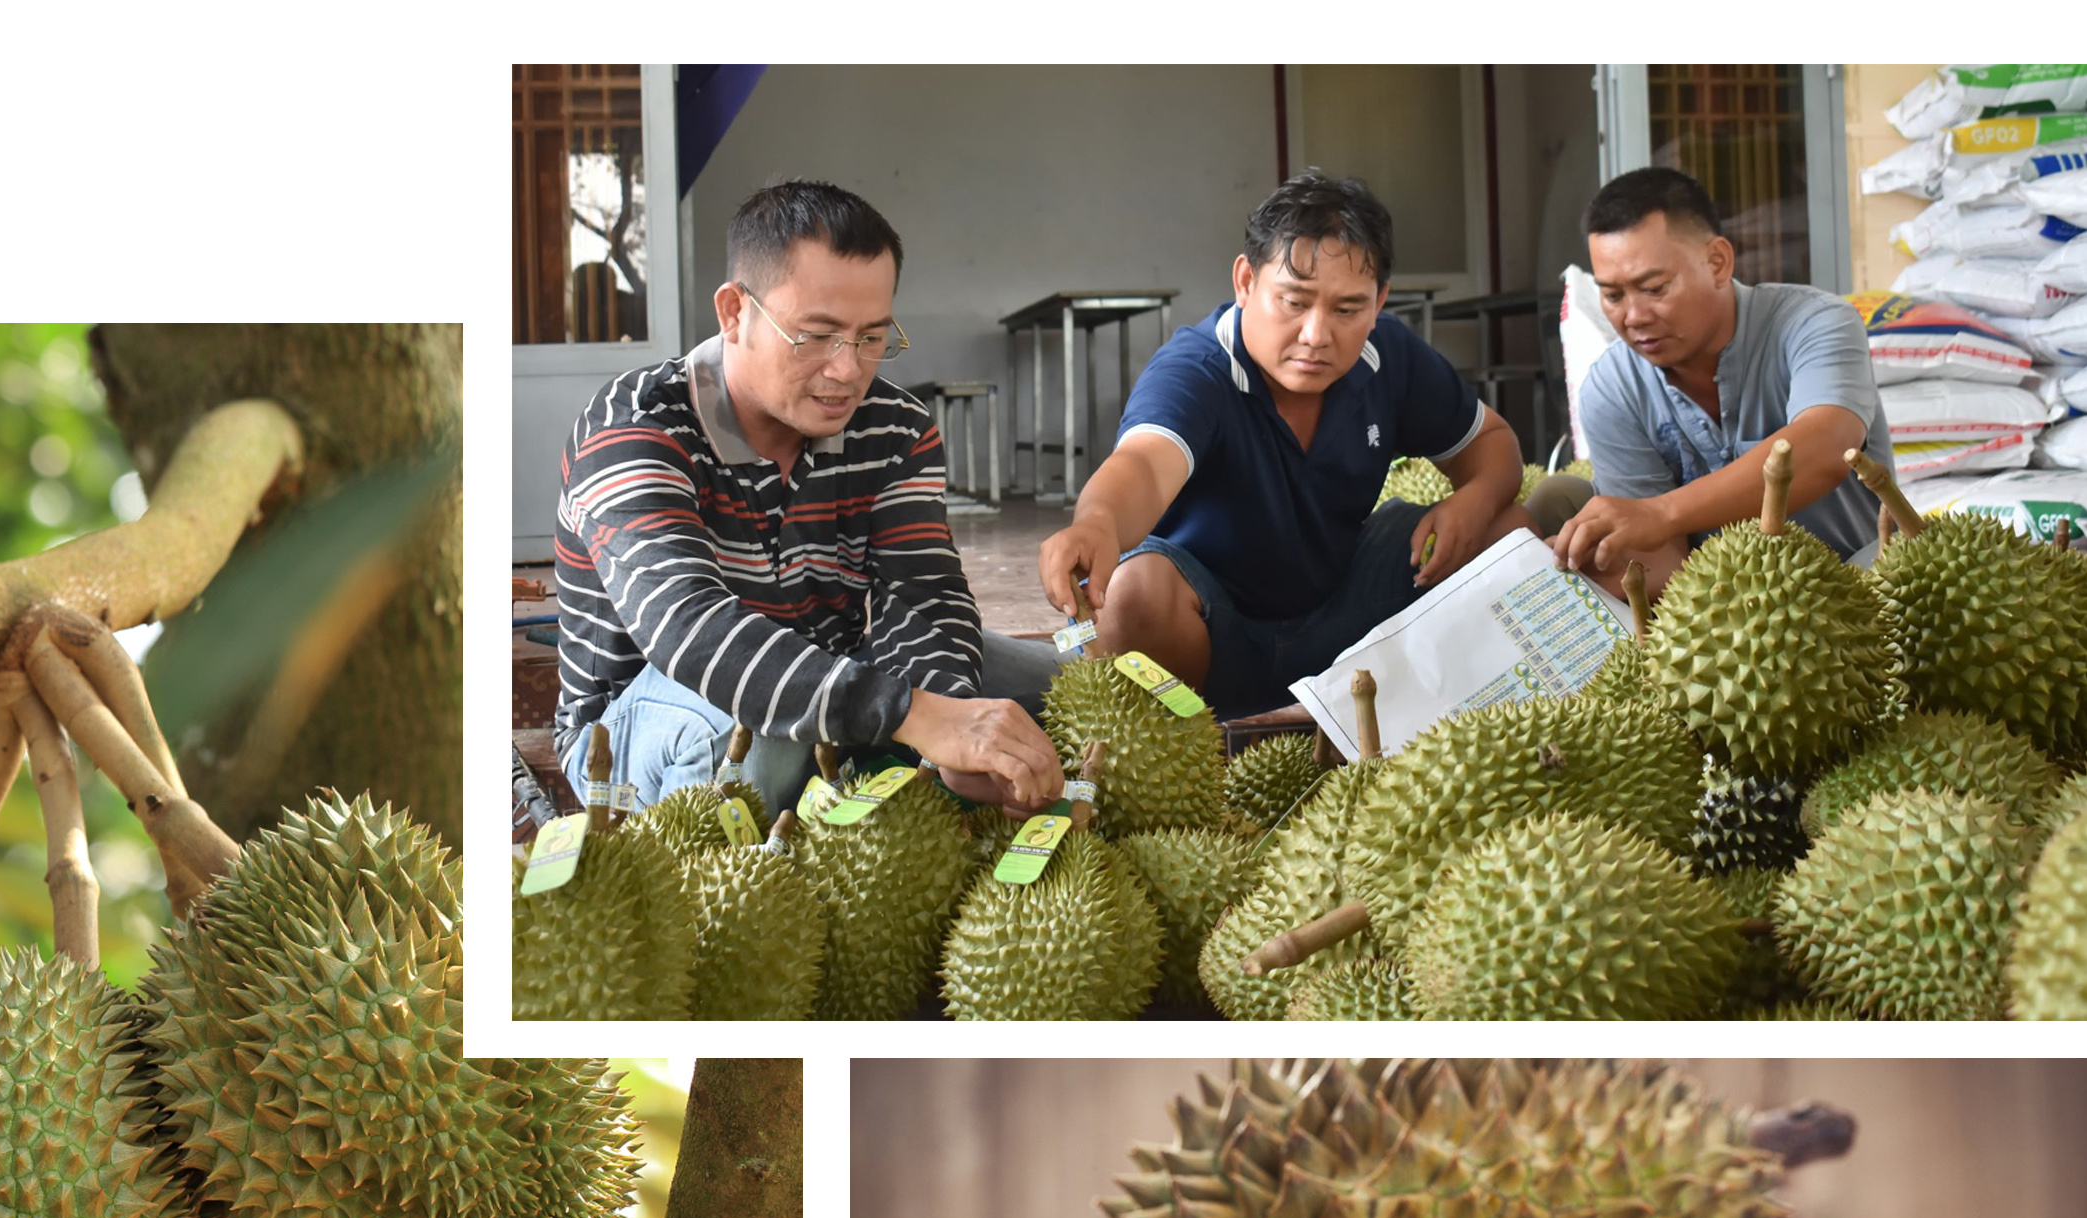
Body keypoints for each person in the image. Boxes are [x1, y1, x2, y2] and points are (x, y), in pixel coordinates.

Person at [552, 179, 1062, 820]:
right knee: (757, 738)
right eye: (816, 335)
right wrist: (913, 714)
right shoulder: (633, 427)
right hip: (645, 713)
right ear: (734, 312)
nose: (847, 370)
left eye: (872, 337)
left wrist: (953, 723)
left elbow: (921, 596)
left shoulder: (895, 428)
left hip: (837, 669)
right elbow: (690, 632)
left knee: (1071, 689)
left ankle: (887, 767)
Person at [1037, 171, 1536, 718]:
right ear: (1245, 282)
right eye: (1294, 302)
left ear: (1379, 302)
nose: (1317, 335)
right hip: (1210, 632)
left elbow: (1492, 441)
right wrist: (1096, 524)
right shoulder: (1198, 369)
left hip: (1343, 615)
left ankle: (1415, 718)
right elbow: (1144, 466)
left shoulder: (1389, 357)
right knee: (1131, 596)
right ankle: (1204, 738)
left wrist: (1475, 498)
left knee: (1509, 535)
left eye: (1348, 310)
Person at [1548, 166, 1891, 593]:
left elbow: (1826, 448)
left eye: (1654, 288)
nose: (1633, 317)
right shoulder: (1612, 388)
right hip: (1723, 616)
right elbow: (1664, 563)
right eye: (1613, 296)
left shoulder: (1816, 323)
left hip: (1857, 597)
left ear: (1717, 262)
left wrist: (1662, 513)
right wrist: (1582, 566)